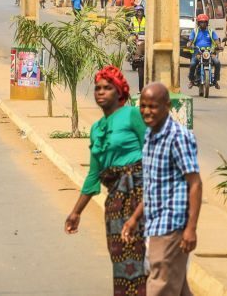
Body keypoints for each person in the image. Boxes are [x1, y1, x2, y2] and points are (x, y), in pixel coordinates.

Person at [65, 66, 147, 295]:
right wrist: (76, 212)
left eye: (107, 88)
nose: (101, 92)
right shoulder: (96, 129)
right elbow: (93, 175)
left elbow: (153, 156)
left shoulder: (132, 115)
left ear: (119, 91)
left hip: (141, 197)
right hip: (115, 204)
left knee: (144, 260)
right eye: (98, 88)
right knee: (121, 260)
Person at [121, 83, 202, 296]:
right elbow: (153, 187)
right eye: (144, 106)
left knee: (159, 286)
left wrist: (191, 228)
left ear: (167, 106)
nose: (147, 111)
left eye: (153, 106)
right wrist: (135, 218)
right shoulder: (150, 135)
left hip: (171, 227)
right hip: (154, 224)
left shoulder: (178, 137)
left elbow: (195, 183)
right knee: (178, 288)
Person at [189, 14, 222, 89]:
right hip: (198, 52)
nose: (203, 24)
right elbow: (190, 40)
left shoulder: (211, 31)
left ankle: (215, 80)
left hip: (209, 53)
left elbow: (216, 40)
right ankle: (191, 80)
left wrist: (219, 45)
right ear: (198, 23)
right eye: (201, 22)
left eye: (204, 22)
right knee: (193, 64)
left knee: (217, 62)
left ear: (207, 23)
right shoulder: (195, 31)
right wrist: (189, 44)